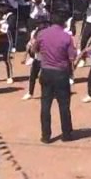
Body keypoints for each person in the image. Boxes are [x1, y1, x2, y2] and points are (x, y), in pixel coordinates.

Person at [29, 10, 77, 143]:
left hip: (46, 71)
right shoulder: (66, 37)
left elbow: (34, 50)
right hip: (61, 73)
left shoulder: (42, 34)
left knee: (45, 105)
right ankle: (66, 134)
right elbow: (72, 57)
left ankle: (46, 136)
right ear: (63, 22)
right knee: (64, 105)